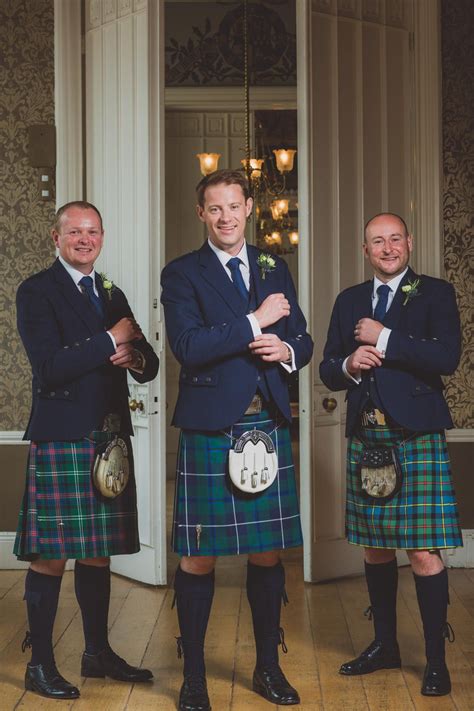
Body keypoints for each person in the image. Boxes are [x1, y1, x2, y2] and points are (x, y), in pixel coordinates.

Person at [161, 169, 313, 710]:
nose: (226, 217)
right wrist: (255, 322)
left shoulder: (275, 265)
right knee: (199, 557)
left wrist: (289, 352)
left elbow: (301, 334)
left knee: (268, 555)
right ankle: (195, 677)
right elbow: (188, 346)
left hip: (267, 422)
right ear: (201, 214)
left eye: (234, 206)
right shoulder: (181, 273)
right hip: (211, 427)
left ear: (249, 207)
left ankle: (269, 668)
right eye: (214, 208)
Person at [14, 201, 159, 699]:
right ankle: (40, 665)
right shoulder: (37, 290)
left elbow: (150, 363)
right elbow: (49, 367)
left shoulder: (111, 291)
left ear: (102, 236)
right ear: (56, 238)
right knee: (51, 555)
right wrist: (107, 341)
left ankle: (96, 653)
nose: (84, 239)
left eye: (92, 231)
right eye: (74, 231)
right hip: (62, 435)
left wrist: (133, 354)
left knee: (98, 554)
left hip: (108, 437)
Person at [319, 212, 462, 697]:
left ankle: (436, 660)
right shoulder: (349, 300)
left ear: (409, 242)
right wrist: (348, 363)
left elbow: (447, 358)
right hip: (368, 434)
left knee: (422, 553)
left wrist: (383, 338)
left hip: (417, 434)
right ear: (365, 250)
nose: (387, 248)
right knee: (375, 546)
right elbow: (326, 369)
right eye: (377, 241)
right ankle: (384, 645)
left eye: (394, 239)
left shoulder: (436, 293)